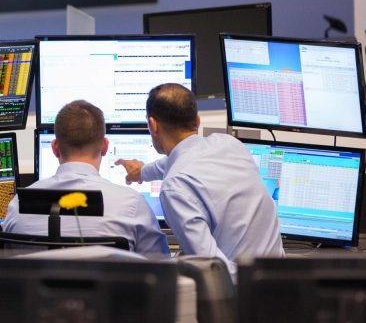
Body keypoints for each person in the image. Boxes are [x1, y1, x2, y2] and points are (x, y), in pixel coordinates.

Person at [117, 84, 284, 274]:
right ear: (197, 121)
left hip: (243, 287)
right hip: (282, 276)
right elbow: (176, 161)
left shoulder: (174, 187)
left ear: (153, 125)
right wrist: (142, 172)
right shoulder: (229, 144)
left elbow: (214, 269)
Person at [2, 100, 169, 256]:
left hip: (34, 280)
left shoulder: (18, 204)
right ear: (105, 147)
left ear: (55, 148)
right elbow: (160, 265)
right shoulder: (132, 204)